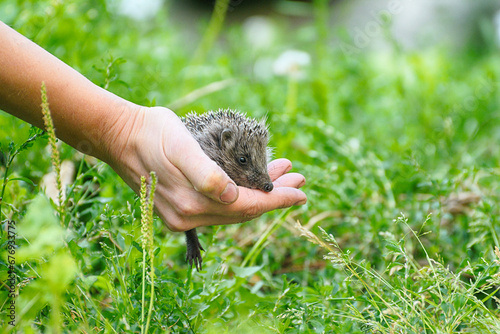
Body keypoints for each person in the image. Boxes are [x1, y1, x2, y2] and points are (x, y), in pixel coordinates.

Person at [0, 21, 307, 232]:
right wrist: (123, 134)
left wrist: (123, 132)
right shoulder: (211, 145)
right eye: (243, 162)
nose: (262, 181)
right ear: (224, 143)